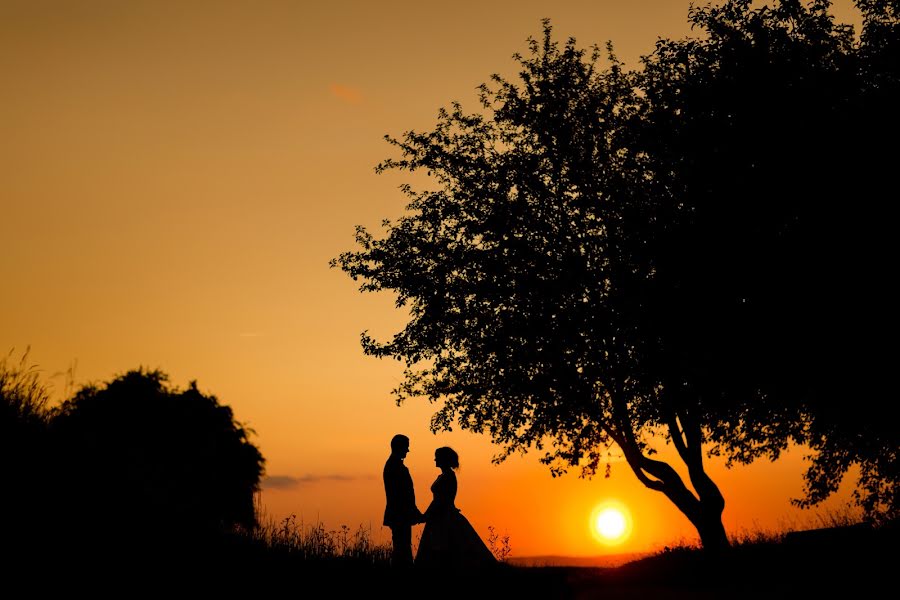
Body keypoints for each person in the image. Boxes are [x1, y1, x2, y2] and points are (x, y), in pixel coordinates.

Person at [415, 446, 497, 569]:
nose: (434, 459)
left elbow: (439, 501)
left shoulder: (448, 476)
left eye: (437, 457)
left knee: (446, 548)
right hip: (441, 515)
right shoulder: (443, 476)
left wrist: (425, 516)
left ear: (443, 459)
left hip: (444, 517)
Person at [383, 433, 425, 568]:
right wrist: (415, 513)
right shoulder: (395, 467)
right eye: (406, 447)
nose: (408, 450)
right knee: (402, 550)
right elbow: (402, 495)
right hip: (400, 515)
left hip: (400, 514)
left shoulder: (393, 465)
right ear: (399, 447)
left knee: (402, 548)